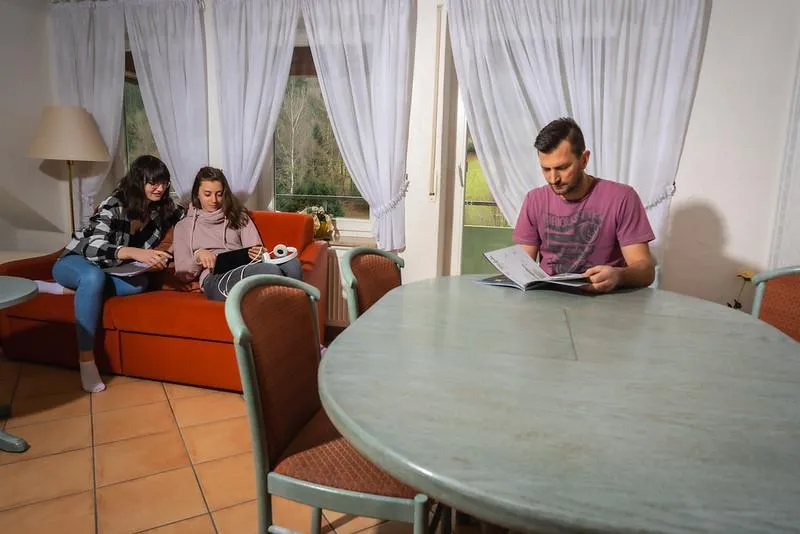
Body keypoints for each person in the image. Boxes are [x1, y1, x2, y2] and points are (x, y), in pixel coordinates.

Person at [37, 155, 184, 393]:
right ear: (138, 181)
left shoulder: (162, 208)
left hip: (108, 269)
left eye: (164, 183)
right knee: (92, 278)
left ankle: (61, 290)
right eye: (153, 183)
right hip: (75, 260)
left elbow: (190, 219)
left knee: (139, 284)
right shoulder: (114, 204)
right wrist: (135, 253)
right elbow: (93, 247)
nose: (160, 188)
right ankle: (86, 359)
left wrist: (173, 249)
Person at [513, 117, 656, 292]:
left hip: (605, 299)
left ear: (584, 159)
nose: (553, 179)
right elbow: (523, 267)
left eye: (562, 168)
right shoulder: (534, 200)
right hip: (549, 297)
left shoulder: (623, 198)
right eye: (546, 169)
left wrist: (618, 276)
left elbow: (646, 271)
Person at [173, 166, 302, 301]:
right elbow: (183, 274)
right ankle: (286, 305)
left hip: (244, 267)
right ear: (197, 194)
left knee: (293, 265)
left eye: (219, 194)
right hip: (214, 277)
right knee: (270, 271)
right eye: (207, 194)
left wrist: (258, 253)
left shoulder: (238, 217)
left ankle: (292, 310)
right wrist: (198, 257)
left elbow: (257, 250)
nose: (214, 200)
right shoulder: (183, 226)